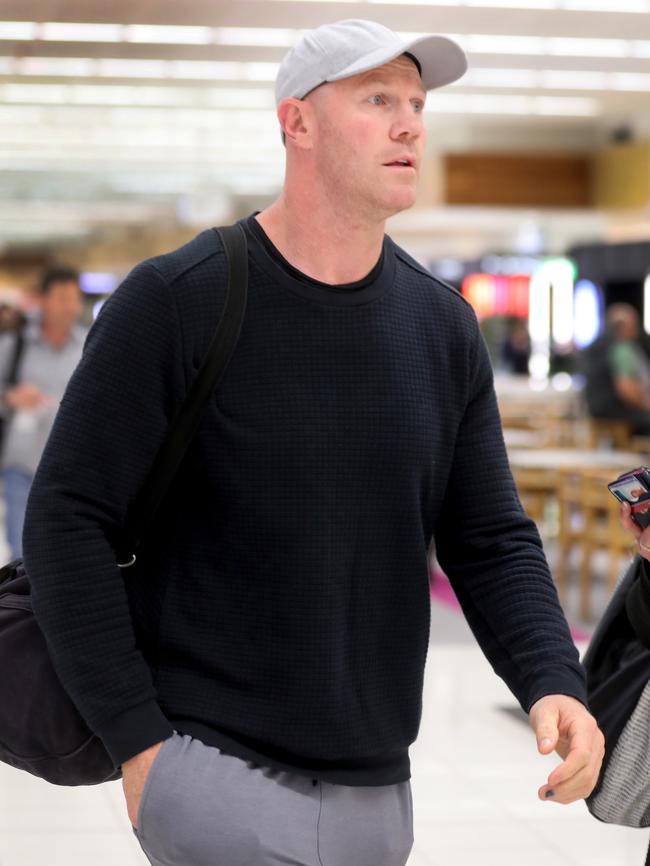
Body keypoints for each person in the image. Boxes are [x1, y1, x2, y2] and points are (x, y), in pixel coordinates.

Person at [23, 19, 604, 866]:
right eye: (378, 100)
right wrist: (138, 743)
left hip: (381, 788)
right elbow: (67, 520)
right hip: (210, 764)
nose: (411, 123)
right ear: (297, 122)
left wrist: (553, 676)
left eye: (416, 102)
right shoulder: (178, 300)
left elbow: (488, 536)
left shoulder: (441, 327)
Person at [0, 265, 84, 558]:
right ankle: (20, 604)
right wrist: (10, 397)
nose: (69, 306)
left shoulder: (89, 346)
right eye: (61, 297)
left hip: (72, 468)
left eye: (75, 298)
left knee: (64, 554)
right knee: (21, 555)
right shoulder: (16, 345)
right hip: (22, 465)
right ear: (44, 300)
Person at [582, 302, 650, 435]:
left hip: (596, 410)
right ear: (624, 326)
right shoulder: (621, 348)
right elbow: (626, 390)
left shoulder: (597, 346)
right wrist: (646, 404)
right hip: (616, 410)